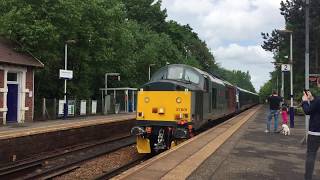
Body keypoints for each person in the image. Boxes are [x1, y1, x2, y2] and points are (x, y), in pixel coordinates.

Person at [302, 90, 320, 180]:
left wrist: (305, 101)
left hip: (315, 132)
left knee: (311, 155)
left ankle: (308, 178)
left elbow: (308, 111)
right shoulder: (317, 100)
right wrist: (312, 99)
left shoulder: (318, 100)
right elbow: (315, 108)